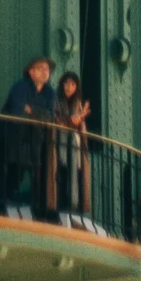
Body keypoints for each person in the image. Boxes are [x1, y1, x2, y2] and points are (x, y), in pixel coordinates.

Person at [0, 57, 56, 209]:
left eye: (47, 69)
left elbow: (50, 117)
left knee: (38, 178)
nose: (45, 72)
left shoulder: (50, 93)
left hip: (36, 141)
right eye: (40, 68)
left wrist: (32, 110)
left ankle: (38, 210)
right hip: (15, 139)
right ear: (31, 71)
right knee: (14, 174)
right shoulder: (20, 87)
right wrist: (39, 115)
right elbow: (18, 112)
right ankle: (4, 206)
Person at [49, 71, 91, 216]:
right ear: (62, 84)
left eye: (72, 84)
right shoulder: (56, 101)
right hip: (59, 143)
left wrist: (80, 122)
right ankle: (62, 205)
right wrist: (72, 121)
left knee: (74, 174)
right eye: (66, 83)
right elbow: (56, 122)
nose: (69, 87)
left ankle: (73, 205)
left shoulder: (77, 104)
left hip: (73, 146)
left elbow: (80, 127)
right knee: (62, 171)